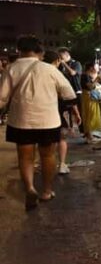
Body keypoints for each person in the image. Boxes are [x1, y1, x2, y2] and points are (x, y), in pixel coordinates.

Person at [0, 36, 76, 210]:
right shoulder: (49, 69)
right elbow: (70, 94)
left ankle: (30, 188)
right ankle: (46, 191)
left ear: (19, 50)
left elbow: (2, 99)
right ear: (40, 52)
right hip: (48, 120)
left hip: (21, 121)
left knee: (25, 157)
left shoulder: (11, 68)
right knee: (48, 156)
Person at [44, 50, 81, 174]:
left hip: (44, 110)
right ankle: (62, 164)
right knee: (61, 138)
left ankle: (48, 164)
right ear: (58, 61)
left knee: (47, 140)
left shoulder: (37, 72)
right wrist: (76, 112)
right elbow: (69, 95)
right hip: (60, 109)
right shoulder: (58, 74)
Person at [80, 61, 101, 143]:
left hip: (87, 96)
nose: (97, 68)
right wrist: (96, 79)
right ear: (91, 68)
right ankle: (89, 136)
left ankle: (89, 135)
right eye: (95, 66)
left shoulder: (86, 75)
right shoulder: (85, 75)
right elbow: (90, 86)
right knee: (89, 115)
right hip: (88, 97)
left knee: (89, 115)